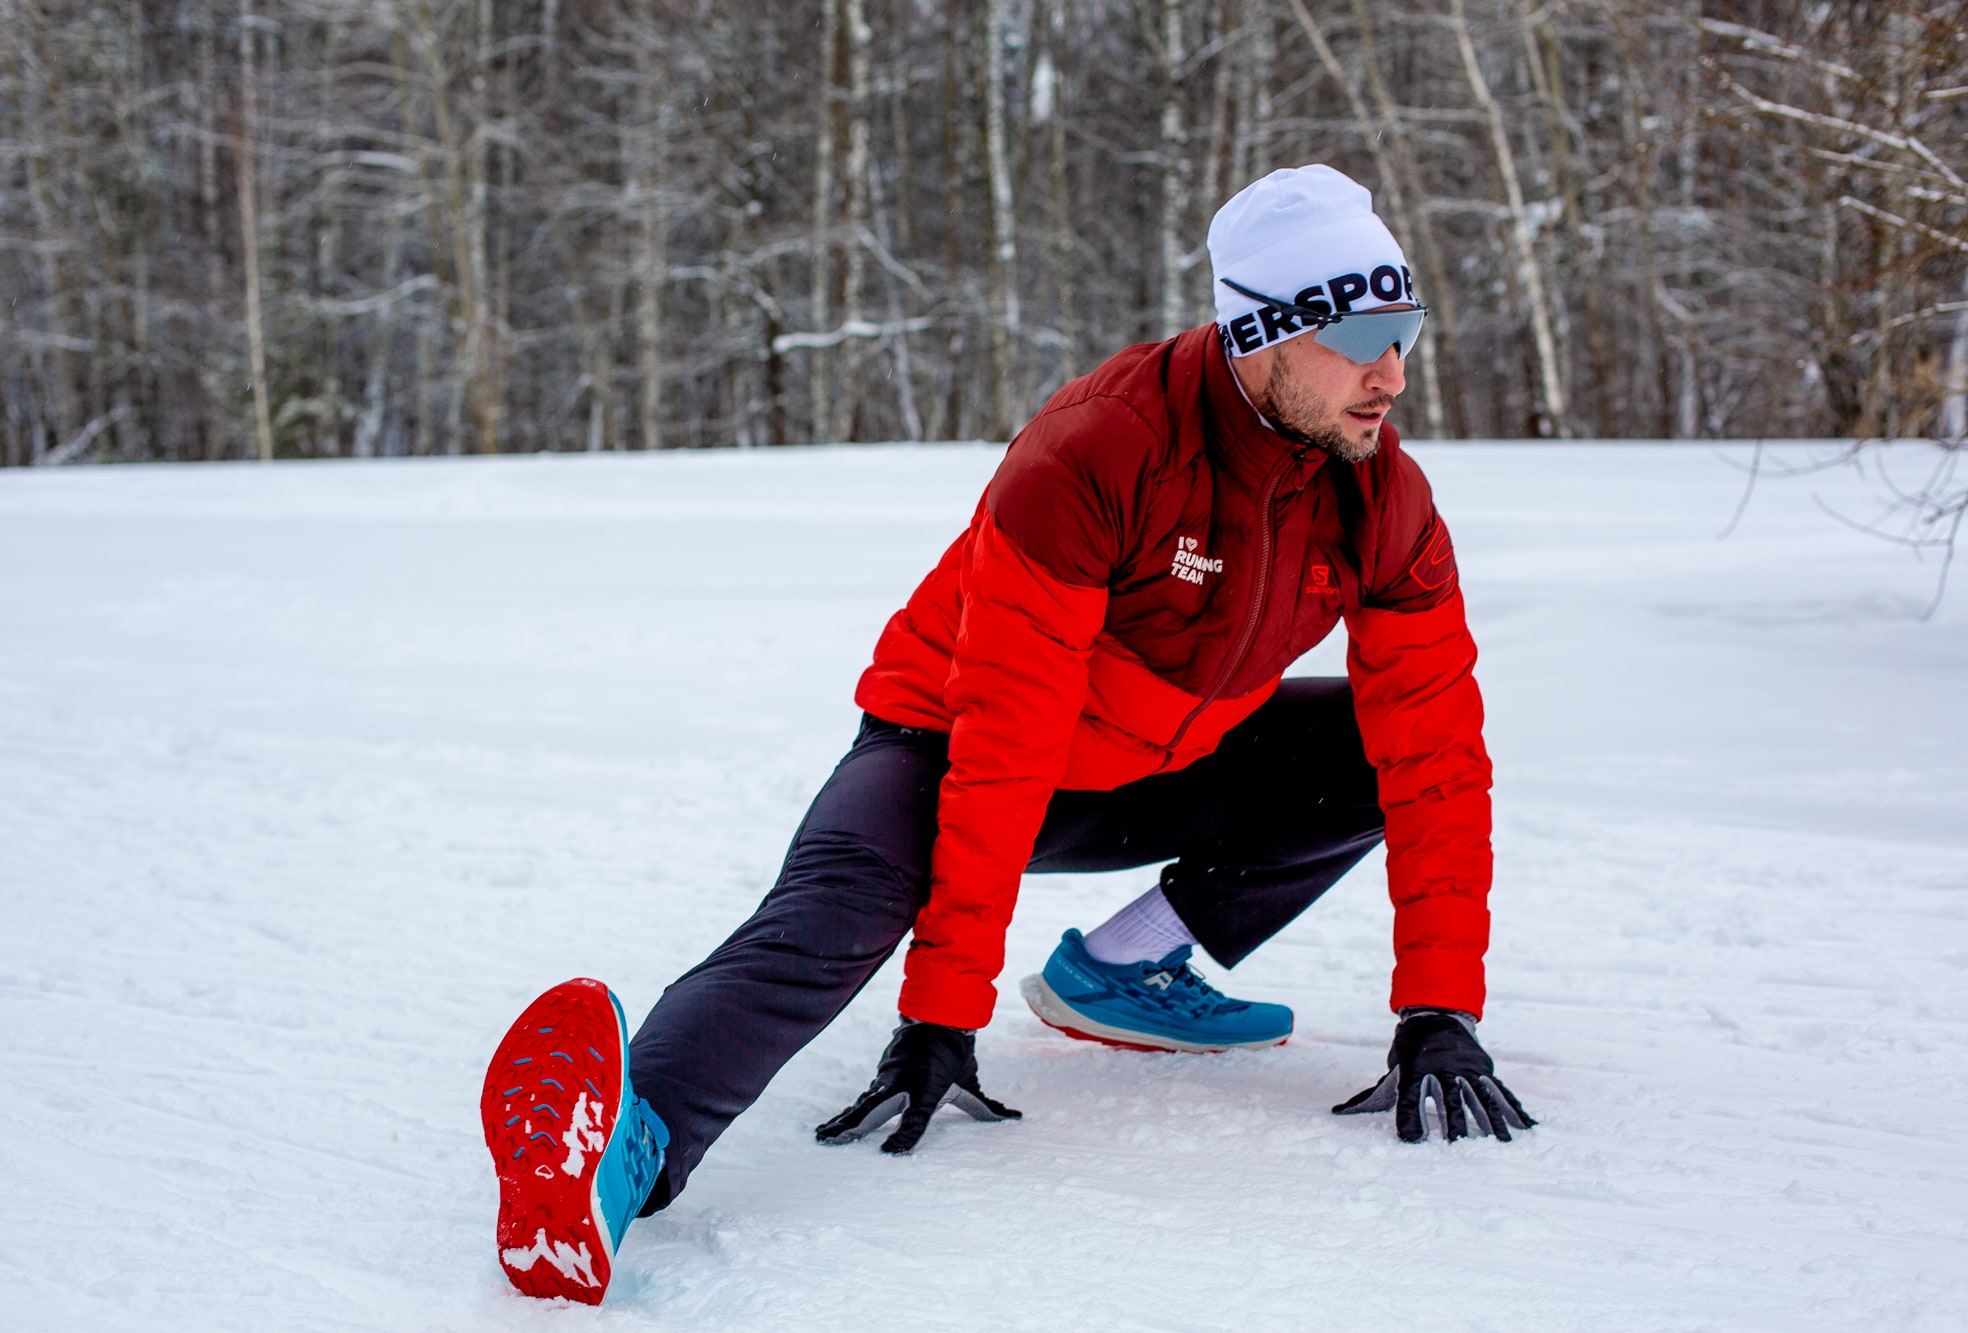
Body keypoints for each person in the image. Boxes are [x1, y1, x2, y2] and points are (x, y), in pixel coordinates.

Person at [477, 164, 1535, 1305]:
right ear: (1262, 333)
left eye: (1406, 326)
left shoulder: (1381, 497)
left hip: (1155, 760)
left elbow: (1435, 756)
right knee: (836, 914)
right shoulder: (1097, 451)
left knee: (1364, 752)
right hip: (946, 743)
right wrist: (941, 1012)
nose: (1394, 372)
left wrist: (1438, 1006)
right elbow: (1005, 740)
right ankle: (614, 1154)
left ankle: (1123, 971)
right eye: (1362, 333)